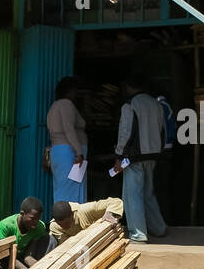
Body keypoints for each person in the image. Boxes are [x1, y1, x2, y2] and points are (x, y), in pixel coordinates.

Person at [114, 76, 168, 243]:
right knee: (148, 193)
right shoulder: (156, 104)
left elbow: (125, 132)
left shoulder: (130, 104)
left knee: (133, 195)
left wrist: (119, 155)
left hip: (133, 157)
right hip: (152, 155)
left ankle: (138, 233)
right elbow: (162, 129)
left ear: (129, 87)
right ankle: (158, 228)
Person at [47, 77, 88, 205]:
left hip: (60, 151)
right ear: (70, 91)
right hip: (70, 152)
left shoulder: (54, 107)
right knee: (72, 188)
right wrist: (79, 152)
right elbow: (69, 128)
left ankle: (62, 220)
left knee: (63, 187)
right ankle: (70, 222)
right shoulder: (66, 104)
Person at [0, 196, 56, 269]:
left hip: (22, 258)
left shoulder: (40, 226)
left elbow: (28, 257)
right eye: (32, 218)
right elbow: (6, 256)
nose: (36, 222)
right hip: (6, 259)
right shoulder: (6, 226)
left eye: (38, 219)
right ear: (22, 213)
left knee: (50, 239)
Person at [49, 197, 124, 244]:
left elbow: (116, 201)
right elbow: (66, 244)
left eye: (66, 223)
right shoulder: (54, 226)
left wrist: (109, 213)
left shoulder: (86, 210)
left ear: (72, 215)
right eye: (60, 225)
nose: (64, 226)